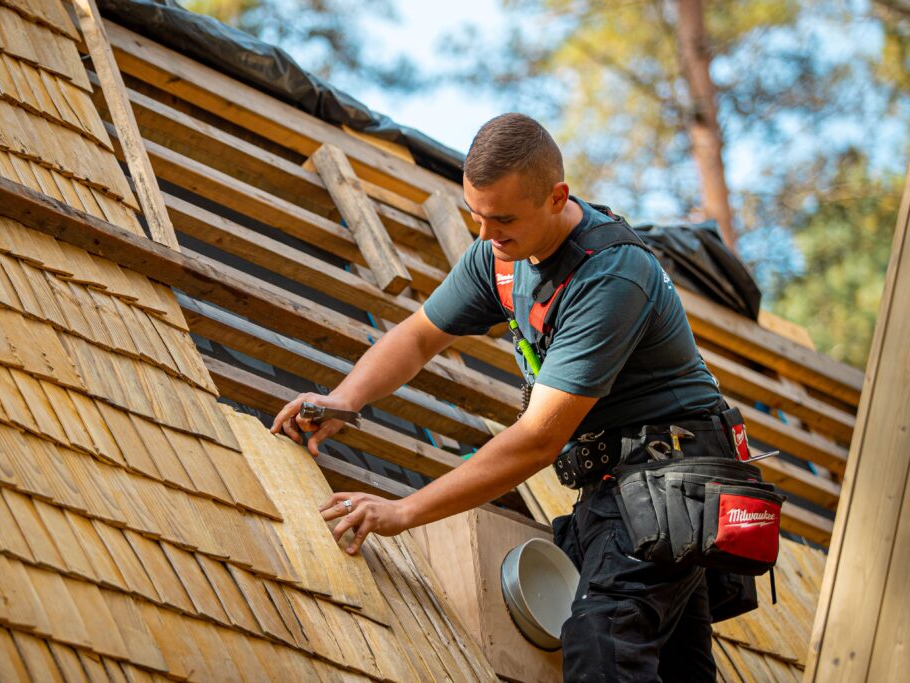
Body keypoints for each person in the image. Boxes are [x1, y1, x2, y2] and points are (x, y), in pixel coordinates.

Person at [271, 113, 725, 681]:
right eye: (476, 216)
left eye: (503, 219)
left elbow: (537, 439)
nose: (486, 236)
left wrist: (404, 510)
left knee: (601, 639)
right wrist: (345, 399)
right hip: (618, 483)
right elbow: (418, 336)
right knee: (674, 667)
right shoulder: (501, 255)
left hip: (673, 477)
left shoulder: (610, 276)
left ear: (557, 197)